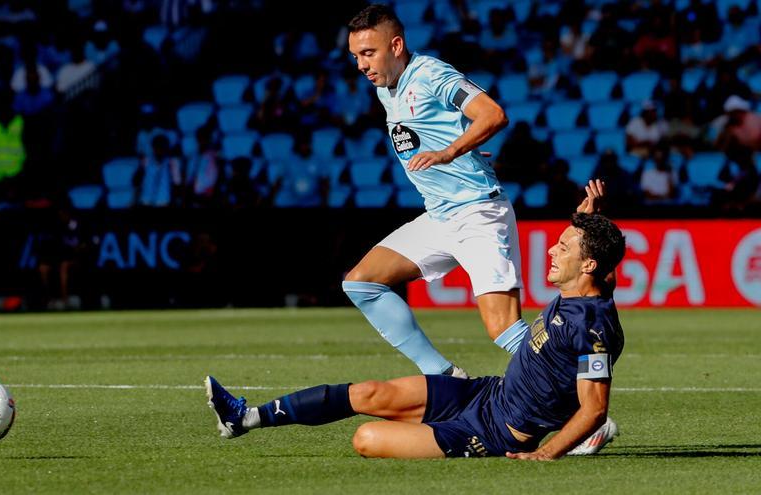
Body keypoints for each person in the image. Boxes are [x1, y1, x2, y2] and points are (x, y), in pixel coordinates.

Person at [206, 212, 626, 460]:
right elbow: (596, 256)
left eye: (564, 248)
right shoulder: (580, 291)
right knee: (370, 393)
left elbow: (593, 407)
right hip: (484, 395)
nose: (552, 251)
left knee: (366, 439)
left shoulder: (592, 327)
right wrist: (589, 217)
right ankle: (245, 419)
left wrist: (545, 453)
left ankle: (573, 444)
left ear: (587, 265)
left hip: (496, 432)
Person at [341, 4, 565, 379]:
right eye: (355, 56)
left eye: (368, 53)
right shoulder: (386, 88)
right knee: (361, 283)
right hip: (440, 215)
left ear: (396, 45)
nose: (361, 65)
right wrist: (460, 146)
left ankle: (585, 407)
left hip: (477, 212)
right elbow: (434, 128)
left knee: (504, 330)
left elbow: (492, 114)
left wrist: (451, 151)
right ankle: (445, 376)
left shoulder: (431, 73)